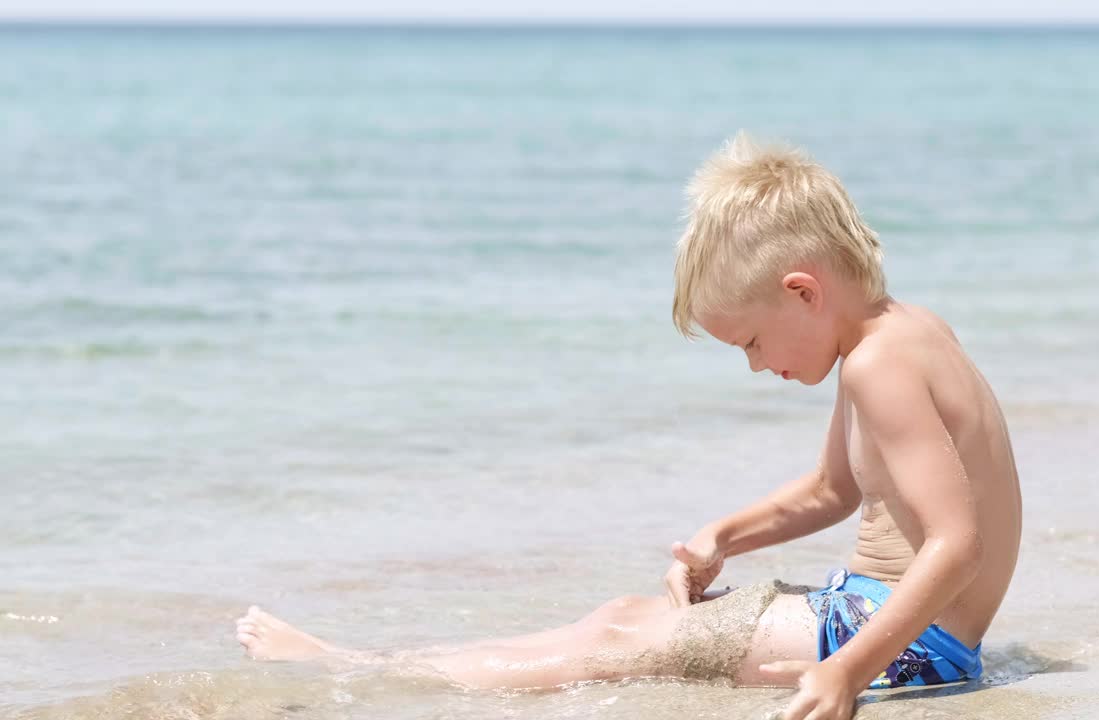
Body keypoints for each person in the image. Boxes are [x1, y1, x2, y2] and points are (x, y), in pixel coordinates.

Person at [234, 132, 1022, 720]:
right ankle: (375, 665)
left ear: (802, 292)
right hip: (880, 617)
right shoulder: (902, 332)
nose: (754, 366)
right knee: (624, 619)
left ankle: (359, 674)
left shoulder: (874, 366)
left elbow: (958, 544)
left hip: (908, 646)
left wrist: (846, 673)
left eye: (750, 340)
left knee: (618, 640)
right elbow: (832, 489)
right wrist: (725, 535)